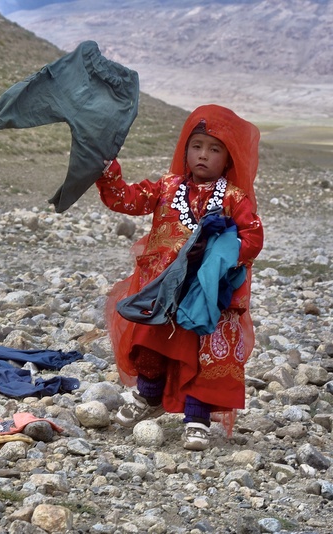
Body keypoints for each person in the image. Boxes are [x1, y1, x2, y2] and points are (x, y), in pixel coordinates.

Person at [96, 104, 263, 451]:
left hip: (209, 293)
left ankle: (197, 418)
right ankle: (150, 394)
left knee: (205, 356)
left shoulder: (235, 199)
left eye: (214, 149)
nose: (203, 155)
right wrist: (106, 170)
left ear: (228, 158)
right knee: (150, 344)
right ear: (185, 150)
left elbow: (252, 237)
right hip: (164, 290)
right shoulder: (167, 187)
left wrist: (223, 254)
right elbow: (126, 199)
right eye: (197, 146)